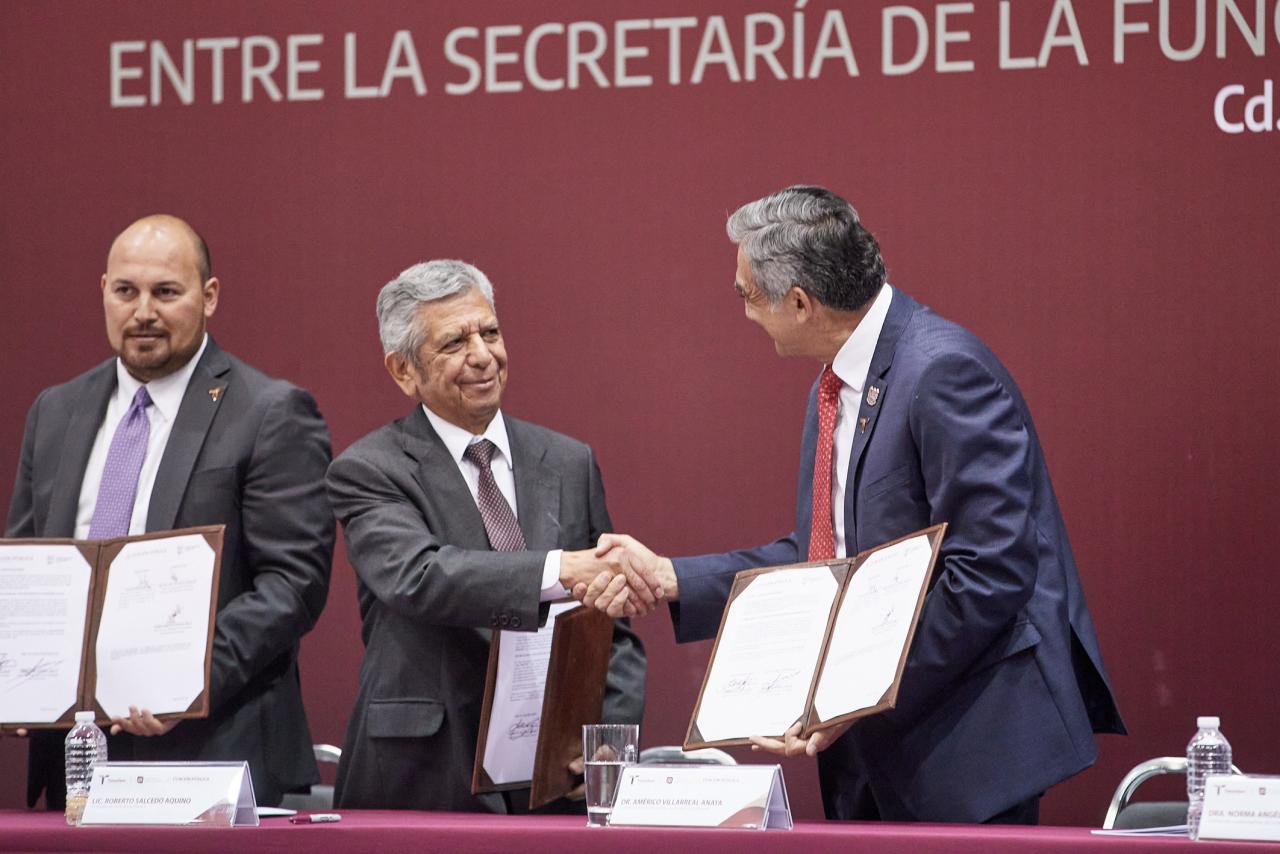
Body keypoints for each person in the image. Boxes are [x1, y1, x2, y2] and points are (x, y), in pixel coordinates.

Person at [584, 185, 1126, 824]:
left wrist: (853, 695)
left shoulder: (944, 371)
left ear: (799, 303)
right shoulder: (837, 382)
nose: (746, 315)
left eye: (747, 296)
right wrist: (671, 578)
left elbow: (990, 573)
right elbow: (826, 558)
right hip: (873, 753)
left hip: (964, 750)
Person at [5, 215, 334, 808]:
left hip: (214, 751)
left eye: (165, 292)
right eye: (125, 291)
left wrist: (183, 680)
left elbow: (293, 584)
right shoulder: (56, 410)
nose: (143, 312)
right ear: (103, 291)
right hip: (76, 758)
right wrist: (21, 677)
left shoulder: (269, 411)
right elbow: (28, 568)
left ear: (209, 297)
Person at [328, 259, 649, 813]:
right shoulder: (370, 469)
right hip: (424, 774)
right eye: (454, 343)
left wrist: (607, 740)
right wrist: (558, 569)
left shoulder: (567, 461)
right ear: (404, 370)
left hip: (553, 776)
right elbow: (419, 576)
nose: (482, 355)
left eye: (491, 332)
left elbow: (609, 624)